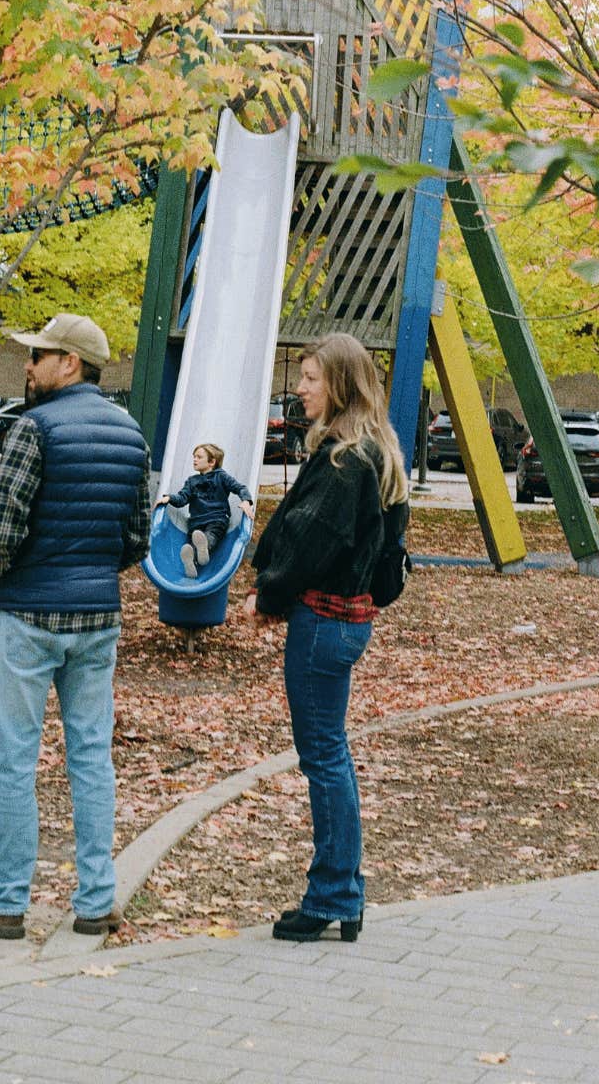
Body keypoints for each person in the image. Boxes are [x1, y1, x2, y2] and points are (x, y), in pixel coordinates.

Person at [0, 313, 151, 941]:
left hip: (29, 615)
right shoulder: (132, 435)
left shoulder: (34, 429)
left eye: (39, 354)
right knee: (91, 757)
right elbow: (138, 538)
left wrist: (8, 579)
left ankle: (6, 905)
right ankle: (96, 901)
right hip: (98, 618)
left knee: (16, 760)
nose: (28, 365)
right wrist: (97, 572)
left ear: (69, 363)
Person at [244, 333, 408, 943]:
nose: (302, 387)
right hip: (347, 621)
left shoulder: (345, 459)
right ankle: (343, 890)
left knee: (324, 758)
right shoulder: (378, 450)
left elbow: (311, 538)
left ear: (339, 383)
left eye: (311, 377)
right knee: (330, 754)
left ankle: (333, 893)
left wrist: (270, 595)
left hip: (323, 623)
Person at [156, 442, 254, 578]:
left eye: (199, 457)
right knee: (194, 542)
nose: (194, 460)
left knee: (209, 536)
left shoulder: (221, 476)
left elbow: (240, 488)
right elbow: (182, 499)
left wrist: (246, 501)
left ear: (212, 462)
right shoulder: (191, 481)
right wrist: (169, 498)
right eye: (194, 457)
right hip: (196, 523)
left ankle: (202, 550)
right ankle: (192, 563)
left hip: (217, 519)